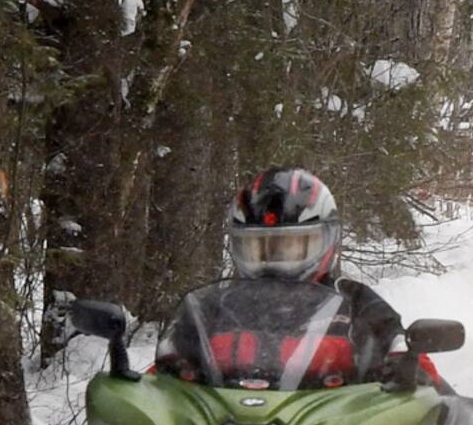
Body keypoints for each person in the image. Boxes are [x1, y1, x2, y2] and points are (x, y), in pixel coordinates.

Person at [156, 168, 424, 392]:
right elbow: (162, 371)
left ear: (326, 240)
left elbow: (405, 354)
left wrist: (405, 364)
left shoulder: (355, 302)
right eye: (259, 249)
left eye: (291, 247)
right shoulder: (215, 306)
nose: (274, 261)